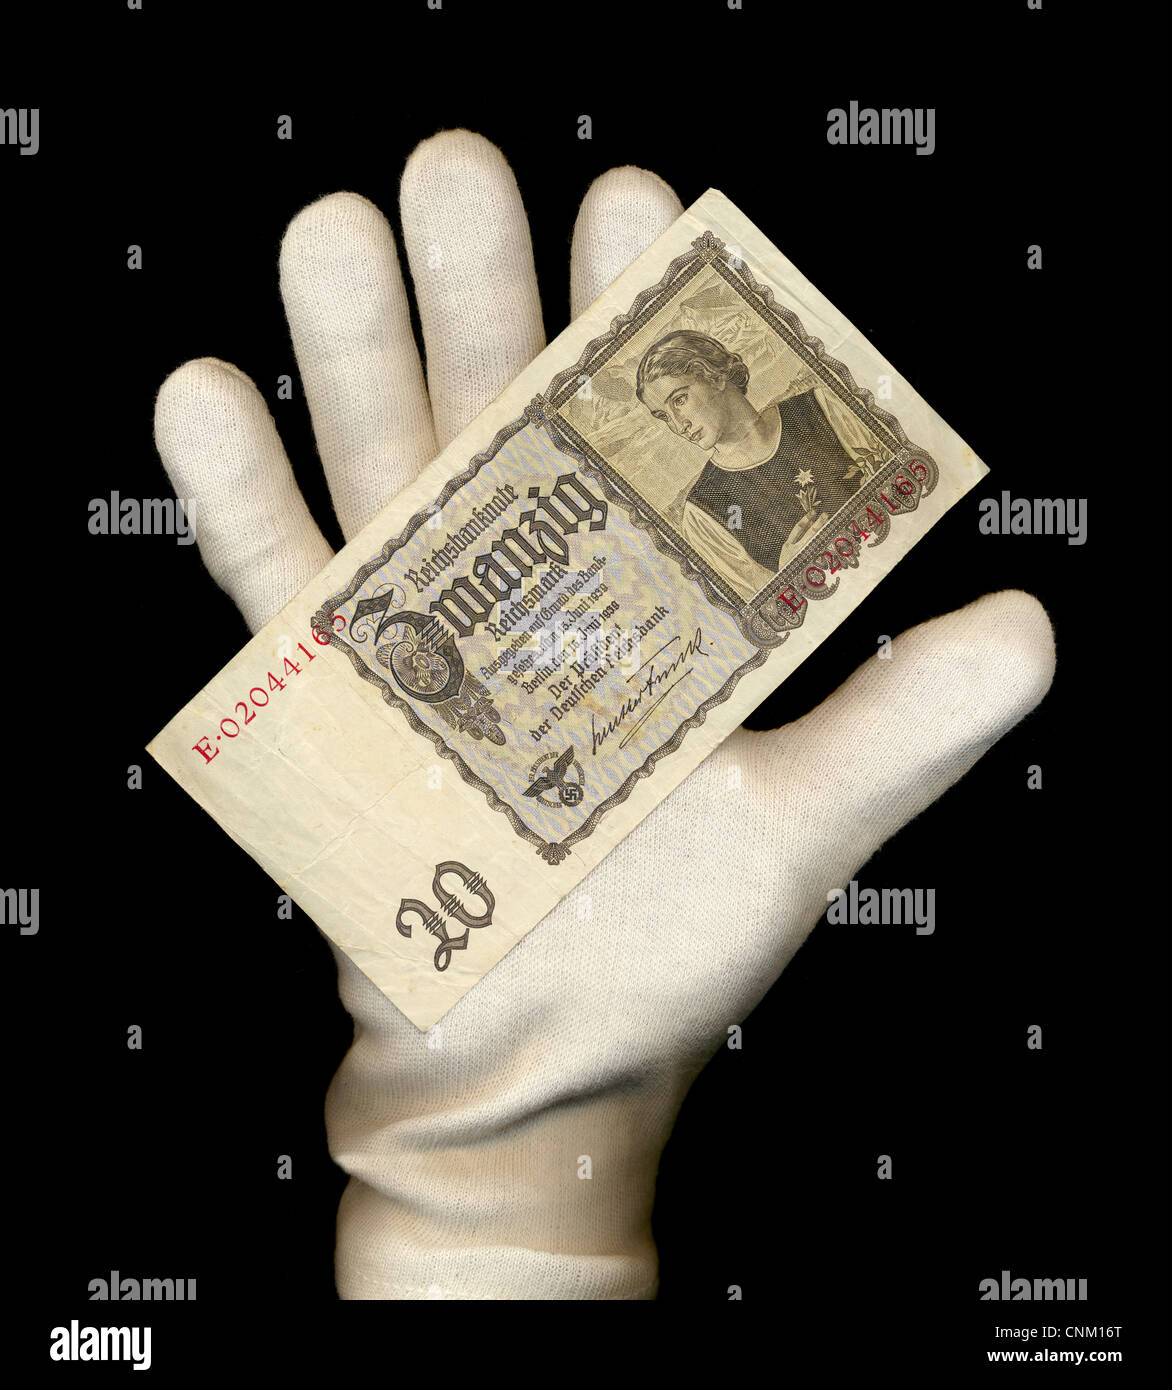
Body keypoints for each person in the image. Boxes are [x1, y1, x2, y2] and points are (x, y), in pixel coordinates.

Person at [636, 329, 883, 597]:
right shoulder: (702, 515)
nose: (677, 424)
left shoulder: (825, 407)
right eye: (663, 416)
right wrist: (791, 573)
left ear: (715, 377)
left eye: (680, 400)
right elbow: (766, 606)